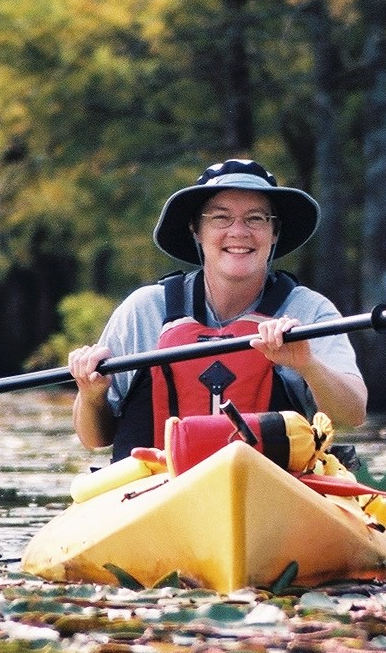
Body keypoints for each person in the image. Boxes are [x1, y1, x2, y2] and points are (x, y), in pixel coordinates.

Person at [68, 158, 367, 459]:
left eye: (256, 218)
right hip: (154, 489)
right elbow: (95, 439)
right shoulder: (143, 310)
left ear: (274, 232)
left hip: (272, 486)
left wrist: (308, 365)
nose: (238, 232)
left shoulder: (309, 311)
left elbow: (351, 415)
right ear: (196, 230)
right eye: (220, 218)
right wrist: (92, 395)